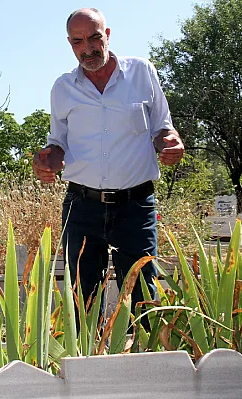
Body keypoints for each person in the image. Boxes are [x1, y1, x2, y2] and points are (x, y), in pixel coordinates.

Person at [32, 8, 185, 326]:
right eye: (78, 41)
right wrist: (48, 161)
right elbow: (58, 144)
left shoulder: (142, 73)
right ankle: (88, 369)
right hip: (82, 208)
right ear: (69, 43)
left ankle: (148, 367)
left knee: (144, 296)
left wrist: (170, 143)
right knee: (82, 302)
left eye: (94, 37)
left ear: (108, 35)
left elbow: (162, 128)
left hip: (135, 206)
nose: (87, 48)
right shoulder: (63, 89)